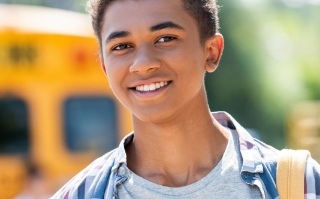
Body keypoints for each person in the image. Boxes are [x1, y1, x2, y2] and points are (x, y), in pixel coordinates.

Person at [51, 0, 320, 198]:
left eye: (166, 38)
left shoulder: (298, 184)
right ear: (105, 67)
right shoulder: (78, 194)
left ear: (211, 52)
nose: (143, 64)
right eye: (121, 46)